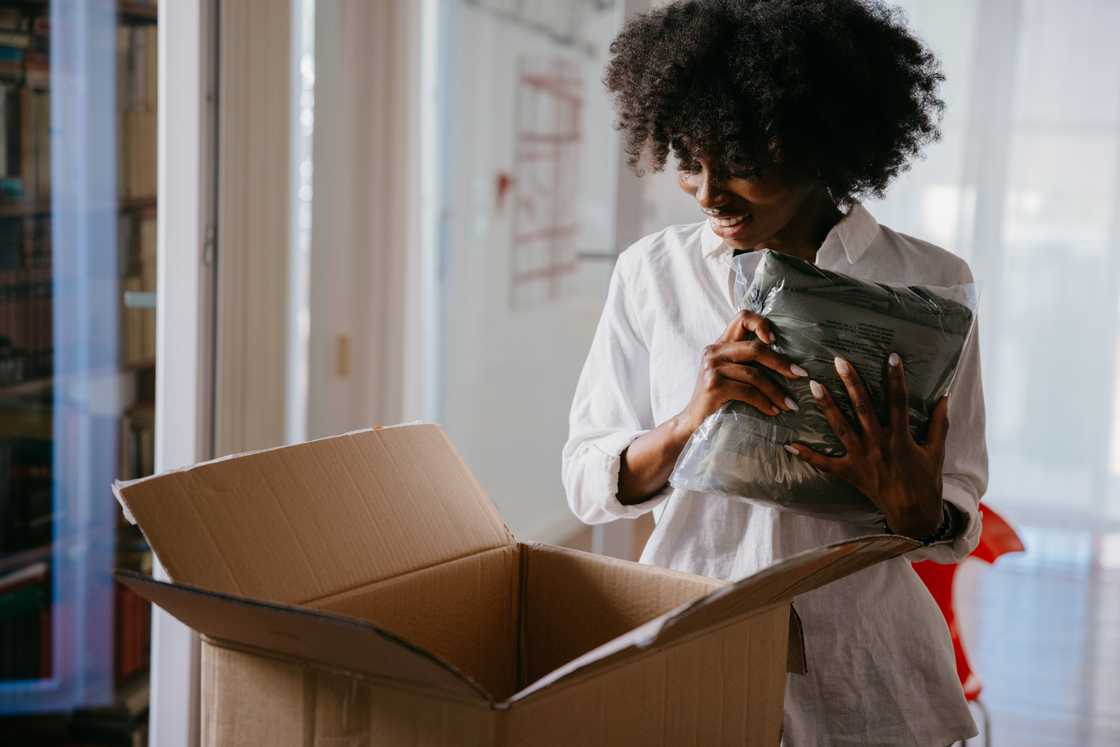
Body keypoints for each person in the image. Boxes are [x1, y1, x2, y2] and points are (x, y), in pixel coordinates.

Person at [562, 1, 987, 744]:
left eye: (745, 163)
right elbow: (586, 480)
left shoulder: (929, 288)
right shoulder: (651, 275)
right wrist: (691, 419)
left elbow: (959, 501)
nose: (709, 191)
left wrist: (919, 509)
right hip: (696, 650)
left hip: (863, 672)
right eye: (690, 161)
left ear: (822, 144)